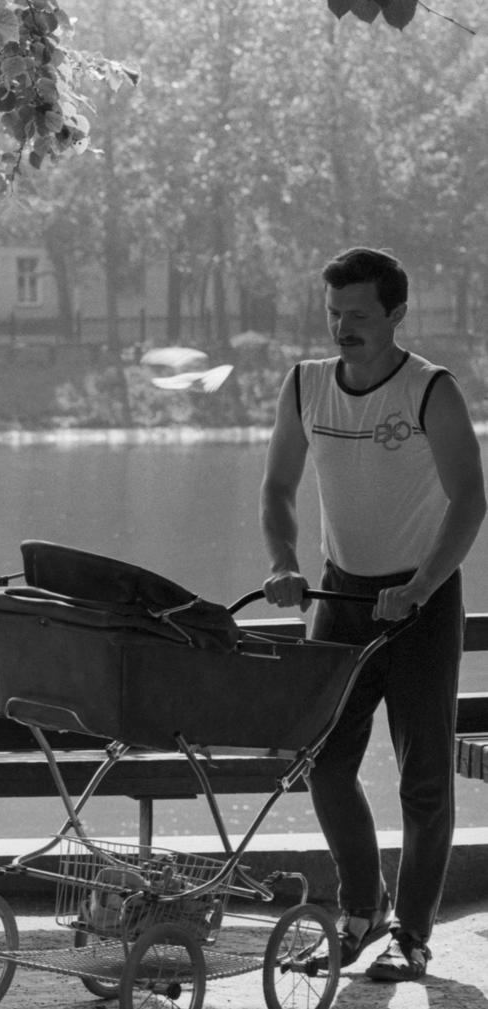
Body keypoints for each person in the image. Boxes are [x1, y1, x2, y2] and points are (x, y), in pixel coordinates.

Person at [260, 247, 485, 983]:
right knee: (324, 765)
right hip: (341, 597)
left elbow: (471, 500)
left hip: (421, 602)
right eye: (333, 314)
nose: (342, 328)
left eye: (358, 315)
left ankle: (412, 935)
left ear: (395, 314)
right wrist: (284, 563)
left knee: (425, 779)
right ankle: (361, 910)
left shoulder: (430, 390)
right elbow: (278, 490)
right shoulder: (305, 385)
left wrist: (420, 585)